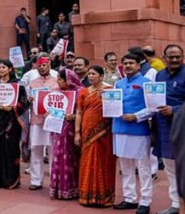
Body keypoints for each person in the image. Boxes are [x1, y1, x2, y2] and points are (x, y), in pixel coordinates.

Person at [112, 54, 153, 214]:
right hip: (119, 128)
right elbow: (112, 104)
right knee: (125, 166)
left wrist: (136, 116)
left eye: (131, 63)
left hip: (139, 130)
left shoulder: (147, 83)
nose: (128, 66)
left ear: (138, 65)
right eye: (125, 63)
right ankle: (130, 198)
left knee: (143, 167)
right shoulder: (118, 83)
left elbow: (154, 107)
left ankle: (145, 201)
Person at [75, 65, 116, 207]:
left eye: (94, 74)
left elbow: (115, 109)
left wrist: (106, 98)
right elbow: (79, 112)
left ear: (101, 76)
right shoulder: (84, 92)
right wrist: (77, 132)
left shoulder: (109, 90)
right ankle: (87, 195)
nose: (91, 76)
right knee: (87, 161)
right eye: (89, 74)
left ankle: (103, 196)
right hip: (86, 130)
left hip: (104, 131)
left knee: (103, 161)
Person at [152, 45, 185, 214]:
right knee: (170, 168)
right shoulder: (160, 75)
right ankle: (176, 204)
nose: (174, 60)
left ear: (183, 57)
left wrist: (175, 110)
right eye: (171, 57)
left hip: (182, 127)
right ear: (164, 58)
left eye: (178, 57)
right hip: (164, 127)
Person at [0, 60, 29, 189]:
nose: (1, 70)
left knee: (10, 149)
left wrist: (11, 108)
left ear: (10, 69)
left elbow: (24, 103)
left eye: (4, 67)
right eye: (0, 67)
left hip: (11, 121)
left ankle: (10, 180)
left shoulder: (17, 84)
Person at [26, 56, 59, 191]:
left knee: (53, 150)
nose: (42, 68)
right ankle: (36, 181)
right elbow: (28, 101)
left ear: (49, 65)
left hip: (52, 120)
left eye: (44, 65)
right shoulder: (32, 83)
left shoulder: (57, 82)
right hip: (37, 120)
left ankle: (54, 181)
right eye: (39, 66)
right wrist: (30, 99)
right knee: (36, 149)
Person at [49, 69, 82, 200]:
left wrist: (73, 117)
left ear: (68, 80)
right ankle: (59, 188)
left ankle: (72, 188)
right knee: (58, 156)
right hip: (58, 128)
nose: (58, 82)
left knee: (71, 158)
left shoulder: (79, 92)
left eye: (61, 79)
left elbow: (84, 111)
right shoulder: (57, 92)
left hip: (72, 129)